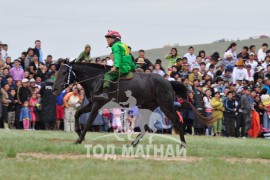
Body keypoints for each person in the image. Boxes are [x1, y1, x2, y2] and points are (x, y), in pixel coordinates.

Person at [93, 30, 135, 101]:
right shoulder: (124, 45)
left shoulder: (115, 46)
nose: (107, 41)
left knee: (107, 75)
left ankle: (105, 94)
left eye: (108, 39)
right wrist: (133, 68)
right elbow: (129, 57)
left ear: (114, 38)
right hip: (127, 67)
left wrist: (115, 66)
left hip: (121, 68)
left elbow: (117, 57)